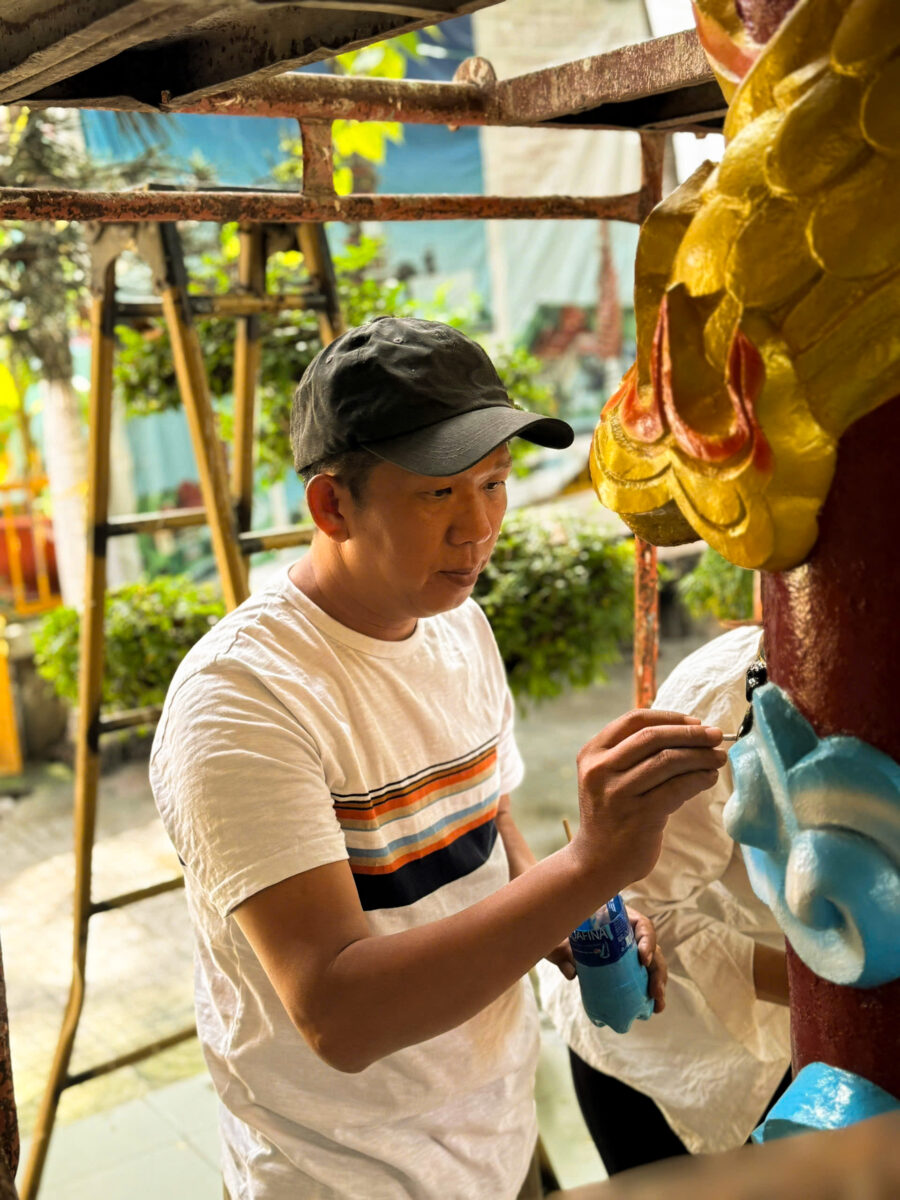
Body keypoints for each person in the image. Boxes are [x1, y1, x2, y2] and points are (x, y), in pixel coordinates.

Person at [150, 316, 728, 1200]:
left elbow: (486, 822)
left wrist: (572, 915)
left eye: (494, 483)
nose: (479, 526)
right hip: (341, 1176)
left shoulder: (458, 626)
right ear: (332, 506)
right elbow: (340, 1013)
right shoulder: (242, 702)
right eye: (437, 494)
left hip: (497, 1137)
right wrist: (588, 865)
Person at [538, 625, 792, 1176]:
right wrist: (836, 996)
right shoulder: (724, 708)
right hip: (661, 1054)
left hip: (786, 1047)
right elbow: (639, 910)